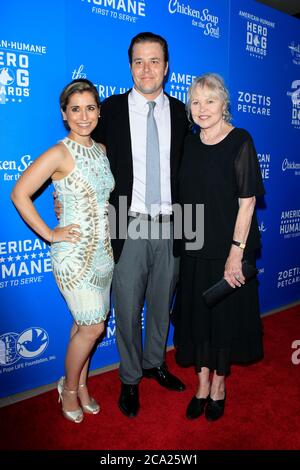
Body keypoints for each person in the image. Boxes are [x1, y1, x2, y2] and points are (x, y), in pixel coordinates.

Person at [92, 32, 189, 417]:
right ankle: (130, 378)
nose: (146, 69)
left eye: (154, 61)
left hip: (173, 221)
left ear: (166, 67)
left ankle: (155, 363)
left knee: (162, 303)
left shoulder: (183, 112)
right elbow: (87, 158)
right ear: (129, 66)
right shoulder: (110, 110)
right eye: (138, 61)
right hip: (126, 220)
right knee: (128, 308)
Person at [11, 79, 115, 424]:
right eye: (75, 109)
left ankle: (81, 385)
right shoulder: (59, 152)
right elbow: (20, 193)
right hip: (73, 255)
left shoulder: (101, 149)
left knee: (83, 324)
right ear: (64, 114)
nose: (83, 116)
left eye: (90, 108)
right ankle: (68, 389)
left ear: (98, 112)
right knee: (93, 328)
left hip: (103, 251)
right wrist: (51, 233)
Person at [173, 73, 264, 422]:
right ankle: (200, 383)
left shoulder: (240, 140)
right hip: (195, 247)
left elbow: (248, 201)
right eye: (195, 101)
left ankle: (219, 385)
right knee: (197, 319)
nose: (202, 108)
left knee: (223, 320)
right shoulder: (189, 144)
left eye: (210, 100)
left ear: (224, 104)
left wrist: (236, 253)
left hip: (230, 249)